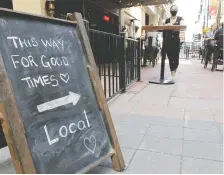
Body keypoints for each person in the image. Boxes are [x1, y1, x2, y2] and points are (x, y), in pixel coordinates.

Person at [163, 5, 184, 83]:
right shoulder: (167, 20)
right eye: (172, 9)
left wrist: (171, 25)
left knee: (176, 59)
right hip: (168, 41)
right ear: (170, 11)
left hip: (175, 41)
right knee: (170, 59)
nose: (173, 10)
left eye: (175, 9)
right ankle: (172, 75)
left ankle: (173, 75)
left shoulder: (180, 19)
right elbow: (164, 31)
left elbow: (182, 26)